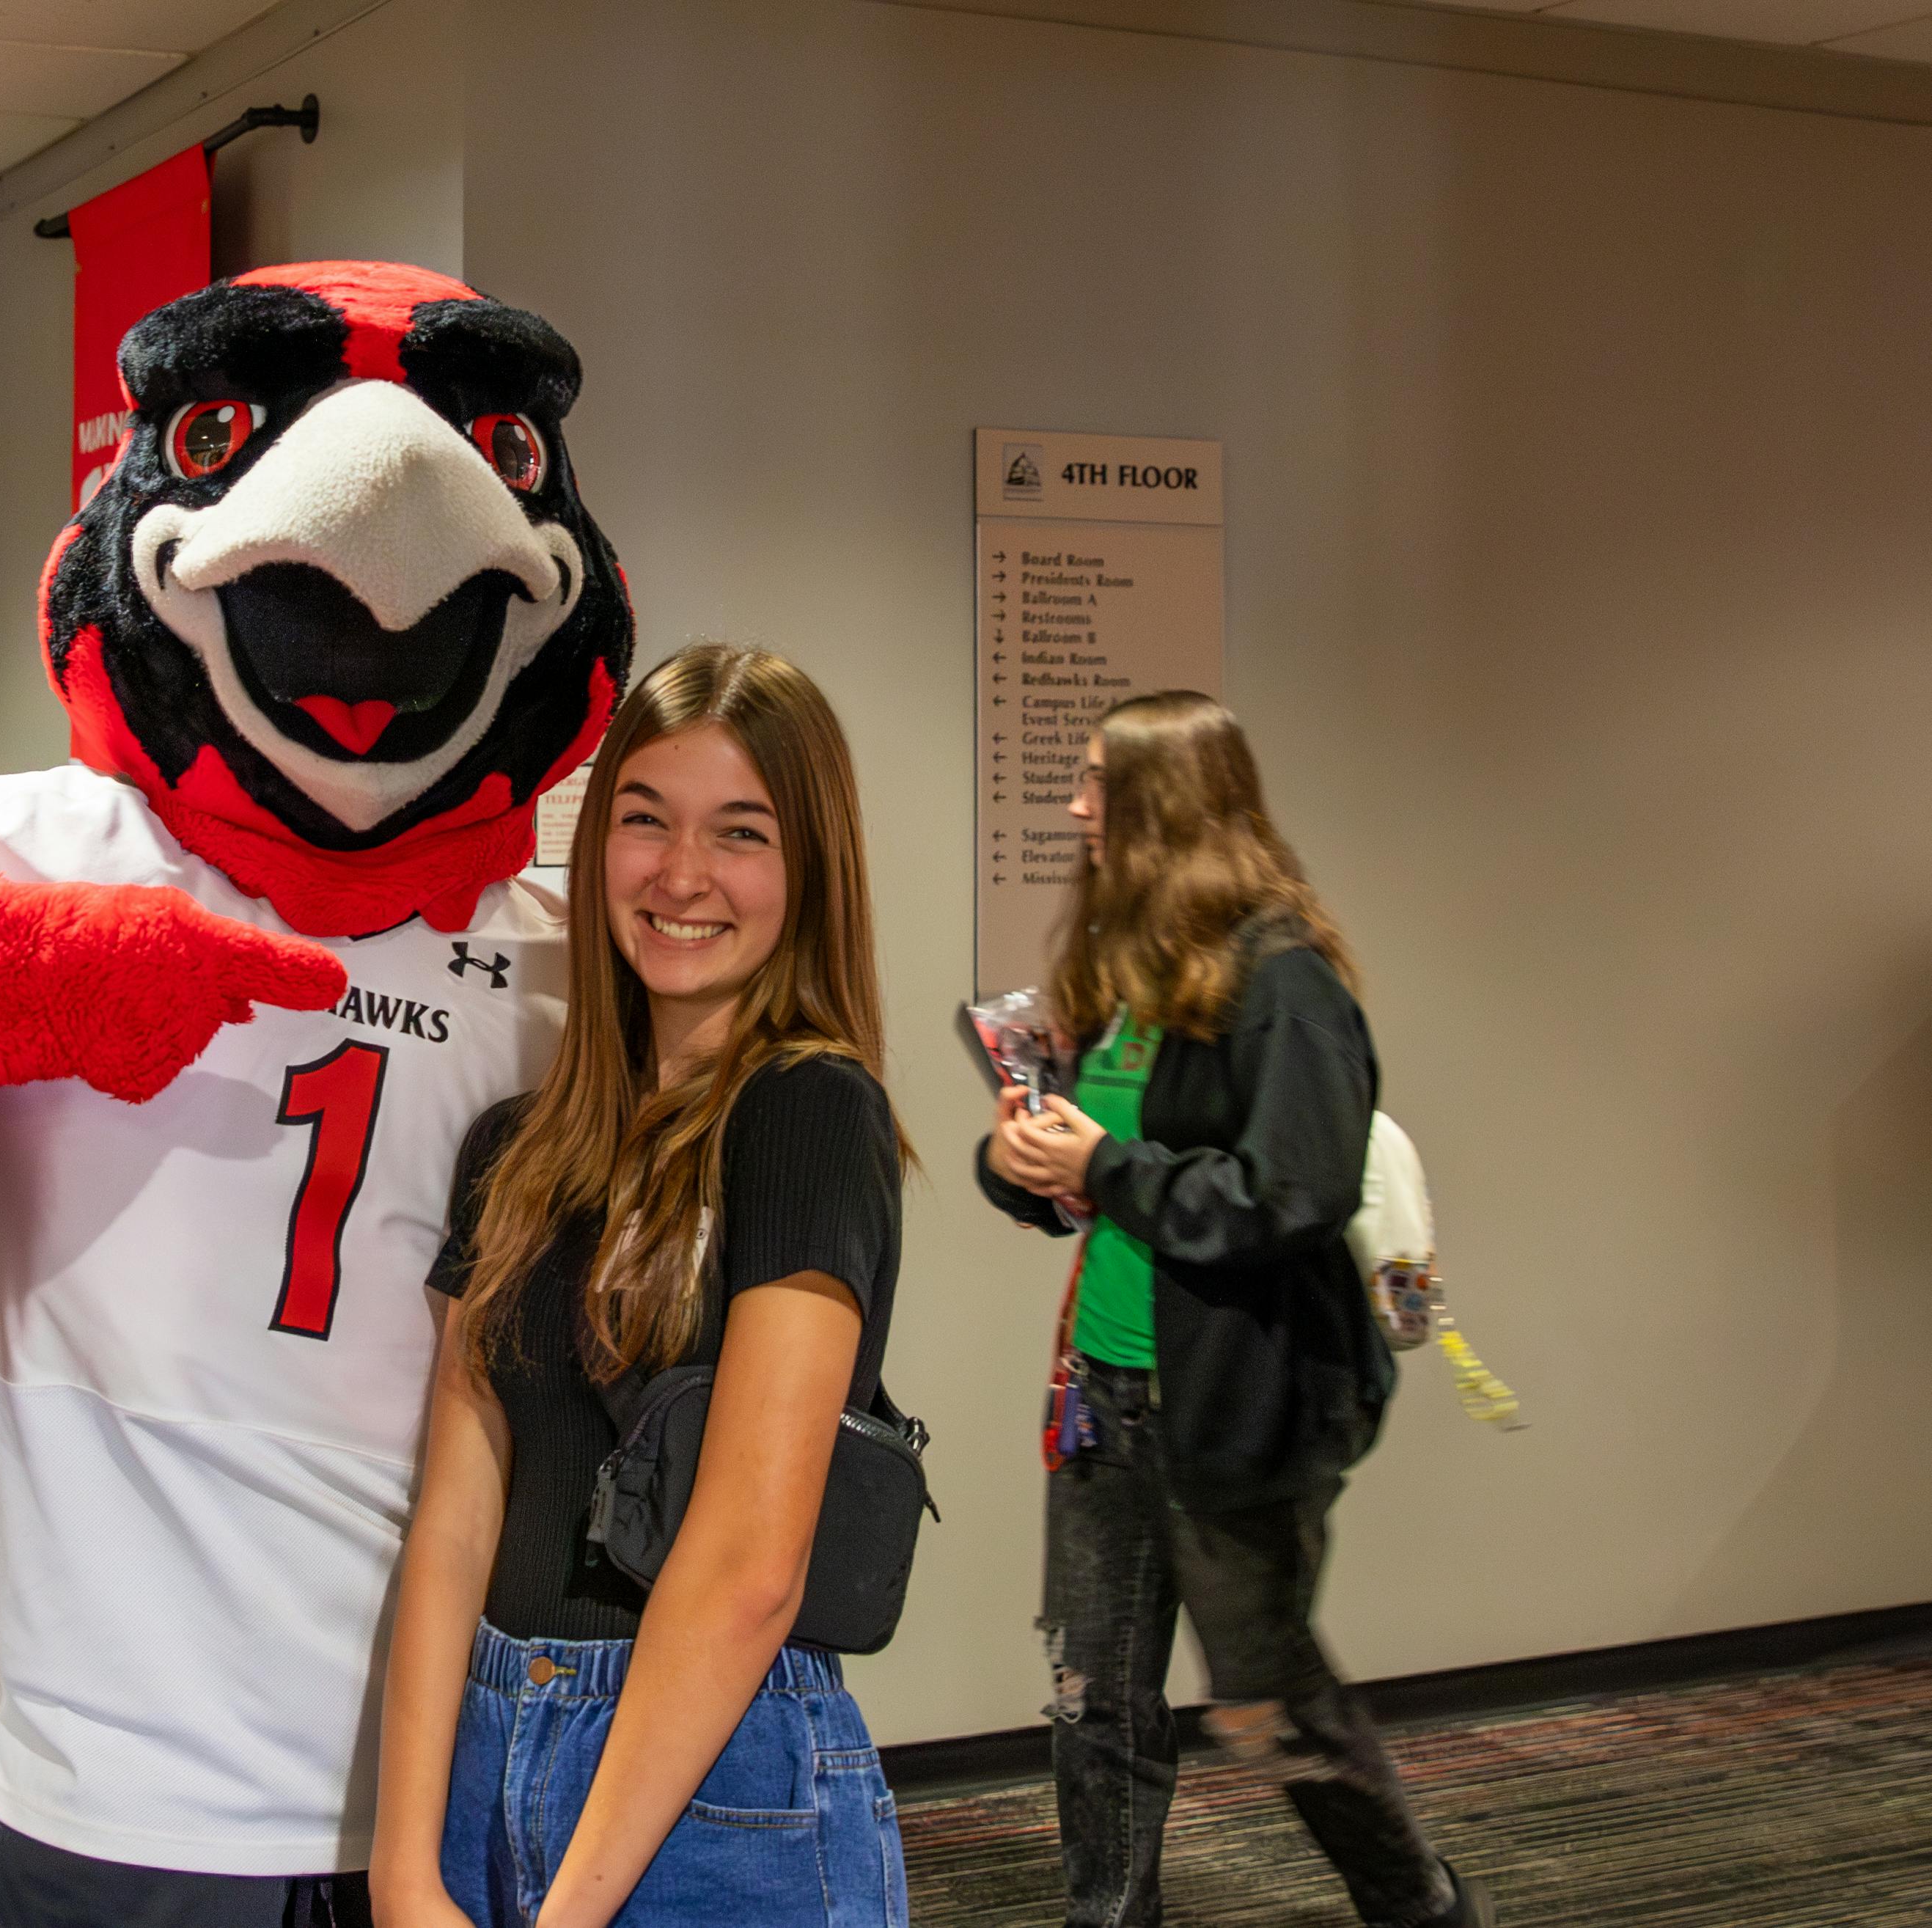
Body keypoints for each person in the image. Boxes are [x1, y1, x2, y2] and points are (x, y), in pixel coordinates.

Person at [372, 645, 911, 1928]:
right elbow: (453, 1514)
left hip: (712, 1772)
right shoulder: (513, 1147)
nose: (681, 875)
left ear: (809, 871)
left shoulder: (805, 1111)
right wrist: (403, 1867)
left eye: (740, 833)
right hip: (485, 1747)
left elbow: (746, 1567)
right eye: (644, 820)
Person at [976, 693, 1491, 1928]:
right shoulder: (1115, 969)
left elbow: (1289, 1193)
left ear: (1171, 802)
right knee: (1094, 1697)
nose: (1075, 805)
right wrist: (1026, 1167)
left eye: (1099, 781)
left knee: (1264, 1703)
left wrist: (1101, 1167)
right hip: (1102, 1397)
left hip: (1233, 1407)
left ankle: (1416, 1903)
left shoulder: (1285, 979)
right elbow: (1100, 1181)